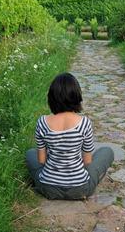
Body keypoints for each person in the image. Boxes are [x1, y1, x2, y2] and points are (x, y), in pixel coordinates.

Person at [25, 72, 114, 200]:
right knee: (107, 151)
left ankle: (52, 179)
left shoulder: (42, 122)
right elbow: (87, 161)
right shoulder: (85, 123)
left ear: (51, 97)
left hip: (48, 188)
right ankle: (78, 182)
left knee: (30, 153)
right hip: (80, 189)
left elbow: (41, 161)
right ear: (77, 96)